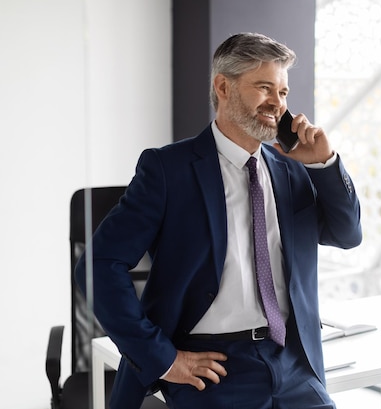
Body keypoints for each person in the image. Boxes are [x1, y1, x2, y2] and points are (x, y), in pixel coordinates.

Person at [75, 32, 362, 409]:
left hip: (291, 361)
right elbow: (97, 265)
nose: (278, 103)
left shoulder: (293, 170)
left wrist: (325, 165)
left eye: (284, 92)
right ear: (223, 87)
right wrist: (163, 358)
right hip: (212, 367)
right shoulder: (168, 170)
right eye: (264, 88)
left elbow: (347, 235)